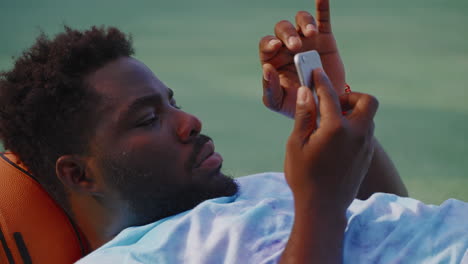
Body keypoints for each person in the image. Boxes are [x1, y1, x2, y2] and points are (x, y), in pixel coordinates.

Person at [0, 0, 466, 263]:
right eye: (147, 119)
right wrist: (319, 202)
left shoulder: (249, 193)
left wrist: (335, 114)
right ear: (81, 175)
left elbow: (394, 218)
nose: (189, 122)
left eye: (173, 102)